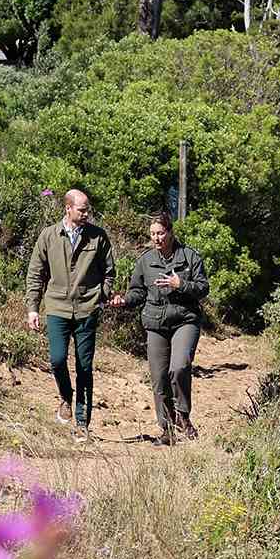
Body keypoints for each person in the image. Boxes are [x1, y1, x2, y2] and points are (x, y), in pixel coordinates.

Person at [25, 189, 115, 440]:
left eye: (88, 210)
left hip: (87, 308)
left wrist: (102, 296)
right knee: (56, 360)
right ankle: (66, 395)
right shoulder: (49, 236)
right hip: (57, 308)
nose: (87, 214)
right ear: (68, 208)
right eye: (82, 209)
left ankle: (82, 423)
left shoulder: (98, 237)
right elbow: (35, 273)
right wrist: (33, 308)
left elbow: (109, 271)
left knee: (85, 367)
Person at [113, 211, 209, 446]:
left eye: (161, 233)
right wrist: (124, 300)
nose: (156, 238)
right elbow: (137, 291)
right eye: (153, 234)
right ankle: (167, 429)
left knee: (179, 367)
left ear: (170, 232)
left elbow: (203, 288)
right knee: (158, 378)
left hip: (185, 320)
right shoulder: (146, 261)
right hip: (156, 323)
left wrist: (181, 284)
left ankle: (183, 415)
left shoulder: (189, 256)